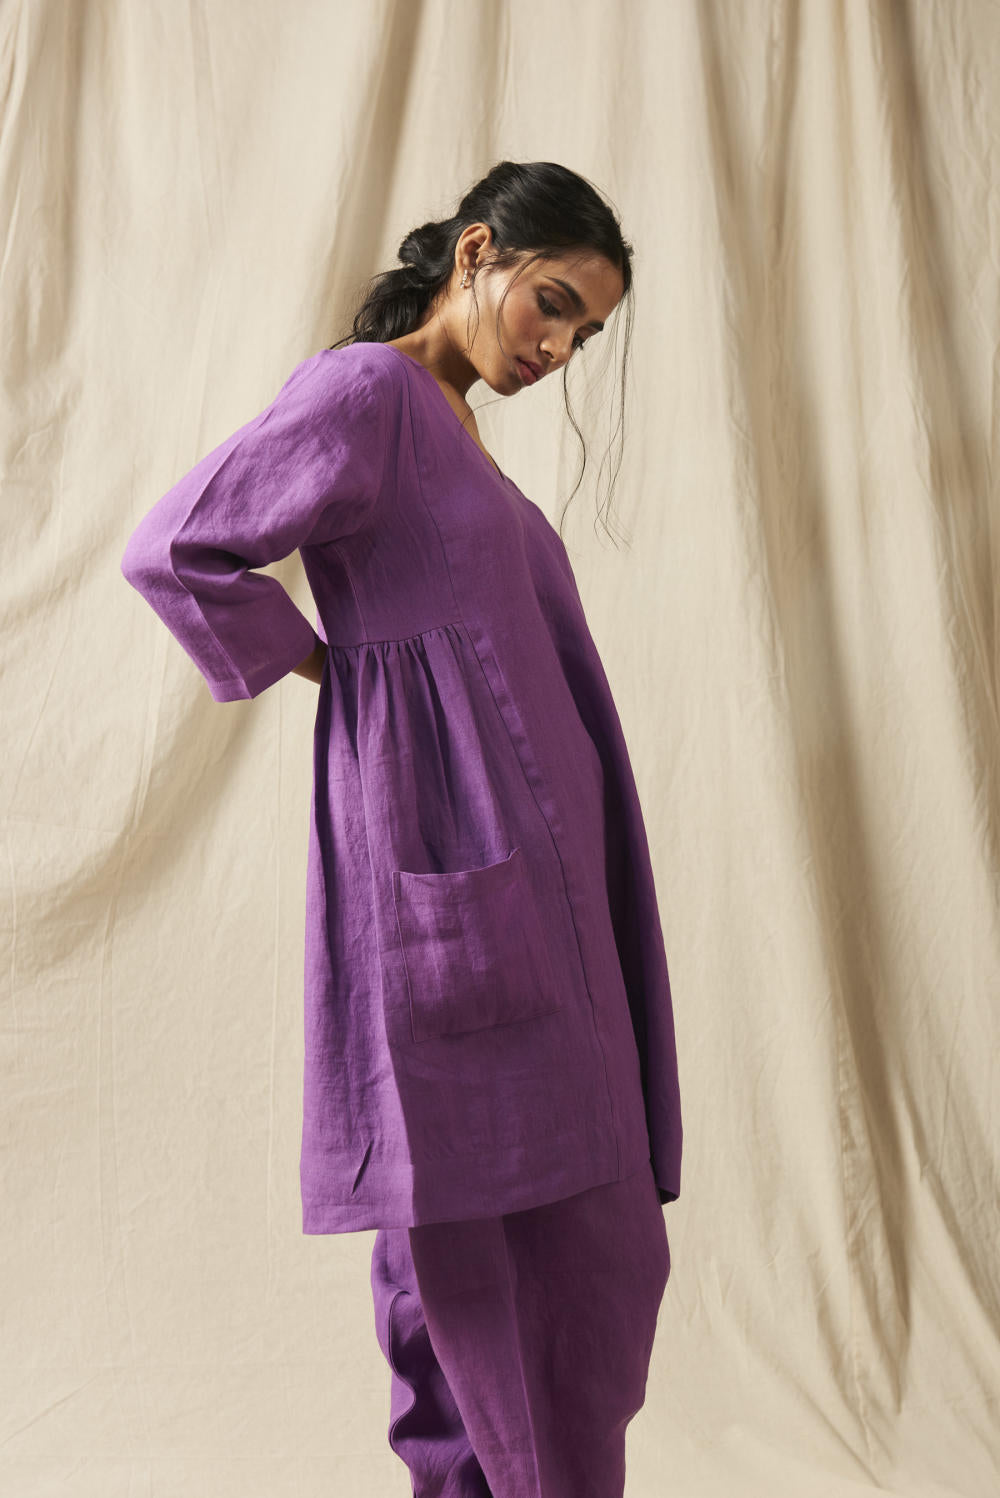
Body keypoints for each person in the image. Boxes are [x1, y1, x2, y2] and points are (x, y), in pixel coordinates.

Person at [121, 159, 682, 1498]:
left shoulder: (453, 424)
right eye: (553, 303)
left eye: (586, 332)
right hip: (455, 871)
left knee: (579, 1240)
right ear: (476, 253)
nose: (558, 348)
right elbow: (176, 548)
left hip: (546, 885)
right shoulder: (367, 393)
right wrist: (335, 666)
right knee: (480, 1233)